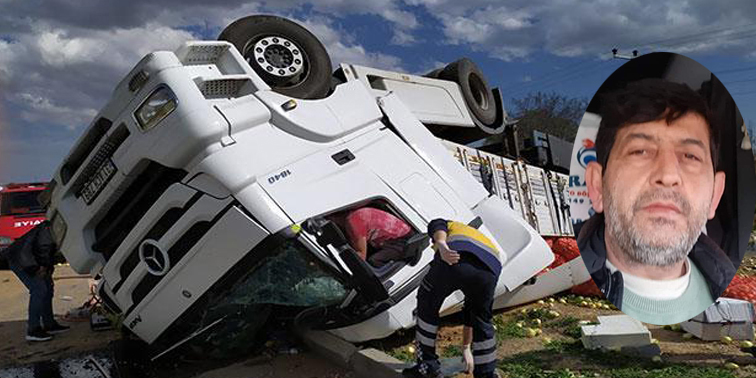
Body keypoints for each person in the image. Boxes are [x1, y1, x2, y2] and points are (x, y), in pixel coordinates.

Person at [578, 78, 735, 325]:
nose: (668, 175)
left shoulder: (732, 296)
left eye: (690, 156)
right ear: (597, 186)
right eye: (640, 151)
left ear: (715, 195)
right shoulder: (566, 284)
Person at [403, 218, 501, 378]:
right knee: (481, 319)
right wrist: (465, 348)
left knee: (426, 305)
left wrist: (441, 243)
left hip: (451, 259)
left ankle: (427, 367)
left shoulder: (451, 225)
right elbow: (470, 314)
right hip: (489, 270)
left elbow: (437, 223)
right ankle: (486, 373)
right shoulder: (482, 240)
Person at [0, 191, 69, 341]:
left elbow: (48, 252)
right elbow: (42, 249)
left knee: (47, 288)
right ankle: (33, 330)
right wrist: (38, 268)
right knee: (39, 289)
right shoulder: (52, 228)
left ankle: (49, 324)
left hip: (29, 259)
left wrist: (47, 269)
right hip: (21, 260)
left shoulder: (58, 225)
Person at [331, 207, 412, 267]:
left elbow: (361, 256)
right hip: (404, 233)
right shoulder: (356, 213)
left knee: (373, 261)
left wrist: (337, 261)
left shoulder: (354, 223)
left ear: (334, 218)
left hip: (402, 241)